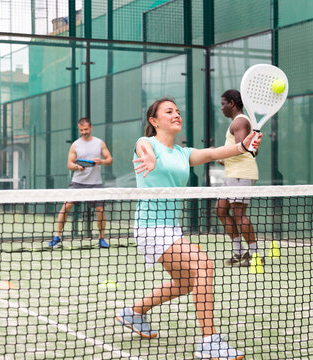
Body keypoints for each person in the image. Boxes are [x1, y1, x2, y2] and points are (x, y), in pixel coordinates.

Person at [115, 98, 260, 359]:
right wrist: (147, 156)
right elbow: (142, 145)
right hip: (150, 226)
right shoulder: (147, 144)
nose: (176, 115)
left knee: (185, 282)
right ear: (154, 121)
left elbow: (215, 153)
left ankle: (134, 312)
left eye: (178, 111)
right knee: (204, 265)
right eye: (168, 112)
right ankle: (209, 342)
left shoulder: (183, 154)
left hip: (171, 227)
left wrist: (242, 145)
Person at [49, 117, 113, 248]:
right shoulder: (75, 145)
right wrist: (78, 167)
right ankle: (57, 236)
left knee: (100, 210)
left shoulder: (99, 143)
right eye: (81, 130)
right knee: (66, 207)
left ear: (91, 128)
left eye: (86, 129)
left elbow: (109, 159)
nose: (83, 132)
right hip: (78, 182)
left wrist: (102, 161)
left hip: (95, 183)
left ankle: (101, 238)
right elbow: (69, 164)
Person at [215, 89, 260, 267]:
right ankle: (239, 251)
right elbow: (252, 149)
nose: (221, 108)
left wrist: (219, 155)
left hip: (241, 174)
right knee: (220, 210)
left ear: (232, 104)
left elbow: (242, 147)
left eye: (223, 104)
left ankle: (255, 254)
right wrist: (223, 159)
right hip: (233, 173)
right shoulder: (238, 122)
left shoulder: (240, 121)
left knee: (239, 215)